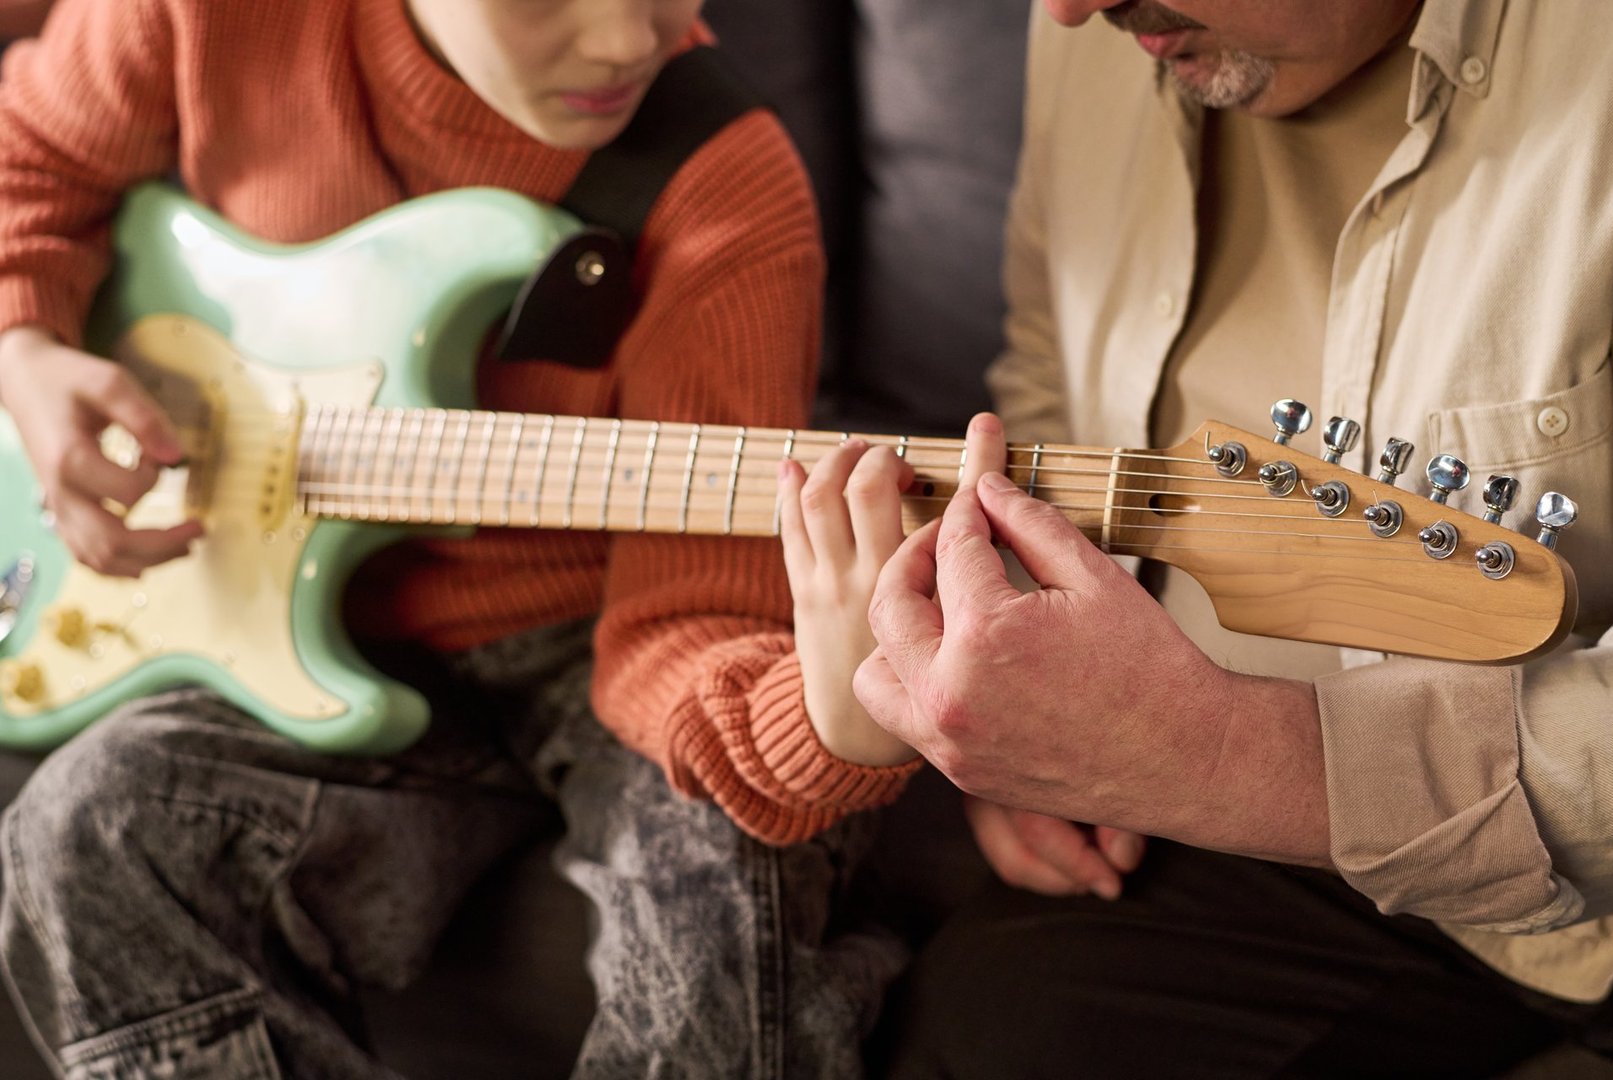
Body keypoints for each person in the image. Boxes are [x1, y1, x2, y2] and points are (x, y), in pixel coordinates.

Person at [0, 0, 926, 1076]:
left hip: (606, 634)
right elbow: (31, 157)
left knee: (728, 893)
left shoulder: (725, 186)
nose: (630, 39)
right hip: (301, 619)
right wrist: (23, 345)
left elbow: (694, 614)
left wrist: (823, 722)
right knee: (88, 829)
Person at [856, 0, 1613, 1074]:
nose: (1070, 10)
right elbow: (1047, 375)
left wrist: (1217, 757)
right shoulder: (1095, 31)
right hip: (1204, 819)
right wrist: (1036, 718)